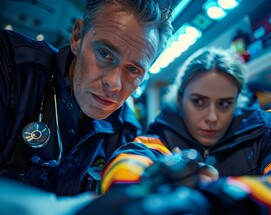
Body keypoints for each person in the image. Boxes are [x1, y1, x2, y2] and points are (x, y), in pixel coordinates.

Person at [96, 47, 271, 215]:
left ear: (238, 101)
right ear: (181, 99)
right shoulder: (160, 136)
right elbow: (127, 163)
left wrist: (218, 208)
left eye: (224, 104)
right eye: (199, 102)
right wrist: (142, 193)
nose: (212, 117)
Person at [0, 0, 173, 196]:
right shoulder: (11, 65)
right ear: (77, 37)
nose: (114, 83)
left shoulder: (124, 129)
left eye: (133, 69)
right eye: (105, 53)